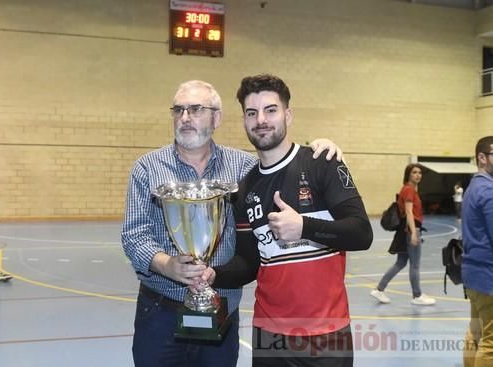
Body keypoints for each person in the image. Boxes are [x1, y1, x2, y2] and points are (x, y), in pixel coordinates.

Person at [121, 79, 344, 366]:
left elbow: (284, 165)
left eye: (196, 109)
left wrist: (318, 149)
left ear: (217, 117)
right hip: (160, 311)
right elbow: (134, 234)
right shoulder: (146, 167)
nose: (185, 117)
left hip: (222, 307)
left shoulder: (244, 167)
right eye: (178, 110)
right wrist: (167, 265)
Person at [195, 74, 373, 366]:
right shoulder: (244, 189)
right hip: (269, 336)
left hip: (326, 335)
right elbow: (250, 262)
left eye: (270, 110)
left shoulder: (322, 162)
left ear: (287, 115)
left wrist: (305, 227)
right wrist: (215, 275)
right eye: (251, 113)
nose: (260, 120)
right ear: (244, 121)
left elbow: (362, 233)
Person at [370, 163, 436, 306]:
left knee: (401, 263)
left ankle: (379, 289)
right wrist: (413, 233)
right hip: (411, 230)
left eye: (419, 172)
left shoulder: (409, 190)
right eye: (414, 172)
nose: (418, 175)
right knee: (415, 265)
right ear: (408, 175)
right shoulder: (409, 190)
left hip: (406, 230)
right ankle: (417, 295)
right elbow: (408, 213)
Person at [462, 136, 493, 367]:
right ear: (482, 158)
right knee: (490, 343)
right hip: (488, 276)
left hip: (472, 275)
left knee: (475, 333)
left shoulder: (474, 186)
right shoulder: (489, 191)